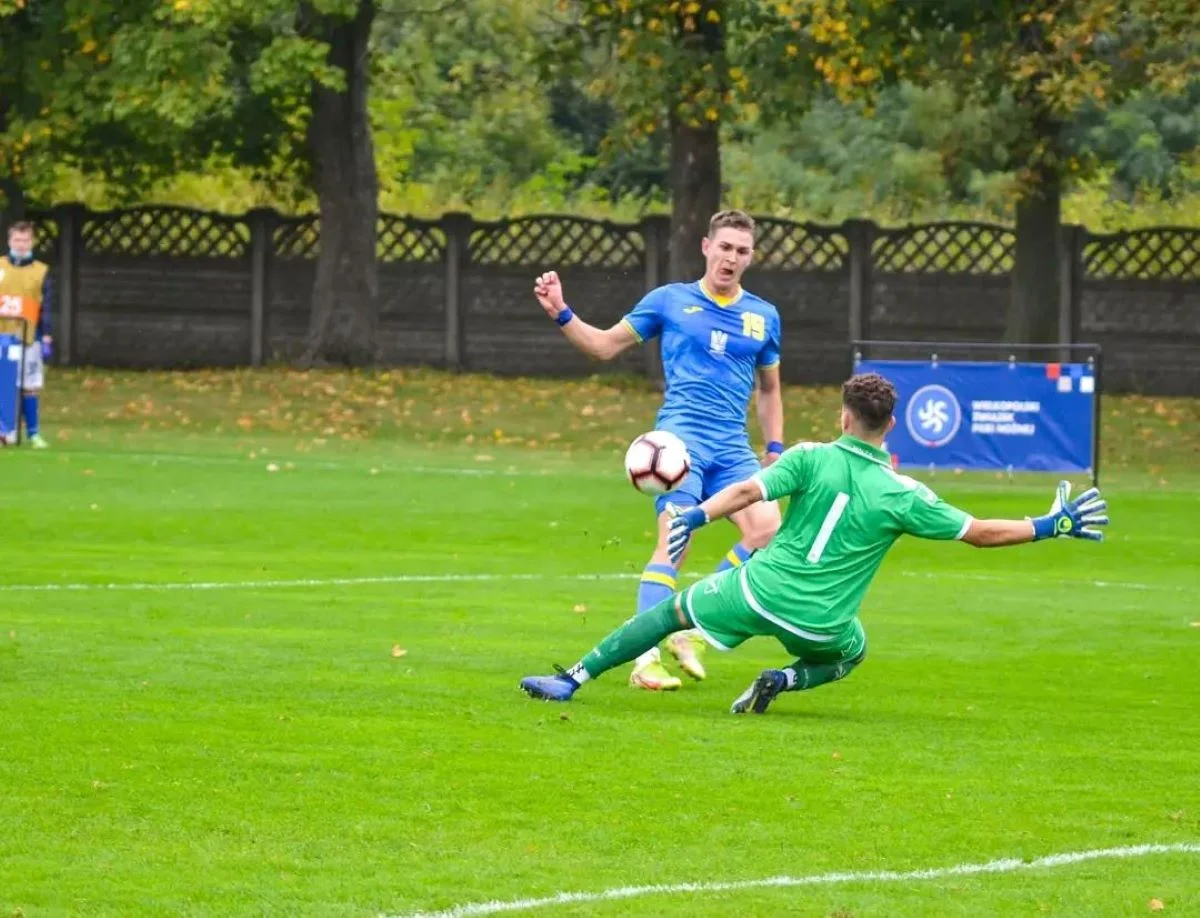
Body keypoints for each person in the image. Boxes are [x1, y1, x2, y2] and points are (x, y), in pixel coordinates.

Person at [520, 373, 1109, 713]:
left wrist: (695, 515)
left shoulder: (809, 457)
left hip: (757, 592)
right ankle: (784, 679)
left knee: (672, 613)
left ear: (843, 417)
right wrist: (1050, 524)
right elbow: (980, 533)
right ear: (891, 425)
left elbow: (746, 491)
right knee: (852, 652)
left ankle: (571, 679)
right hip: (822, 624)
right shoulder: (905, 494)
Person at [534, 210, 785, 691]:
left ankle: (690, 626)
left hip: (733, 448)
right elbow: (603, 347)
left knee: (768, 532)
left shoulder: (764, 316)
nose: (731, 258)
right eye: (725, 247)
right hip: (679, 445)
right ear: (706, 247)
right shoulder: (669, 301)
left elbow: (770, 390)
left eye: (742, 250)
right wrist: (562, 312)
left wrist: (774, 446)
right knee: (675, 543)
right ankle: (644, 659)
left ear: (751, 257)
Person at [0, 221, 53, 447]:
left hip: (28, 336)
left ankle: (33, 433)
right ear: (10, 241)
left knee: (29, 385)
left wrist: (47, 336)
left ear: (32, 242)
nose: (21, 245)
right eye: (17, 240)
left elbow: (46, 306)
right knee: (4, 383)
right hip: (2, 335)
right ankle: (5, 431)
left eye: (25, 240)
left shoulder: (41, 271)